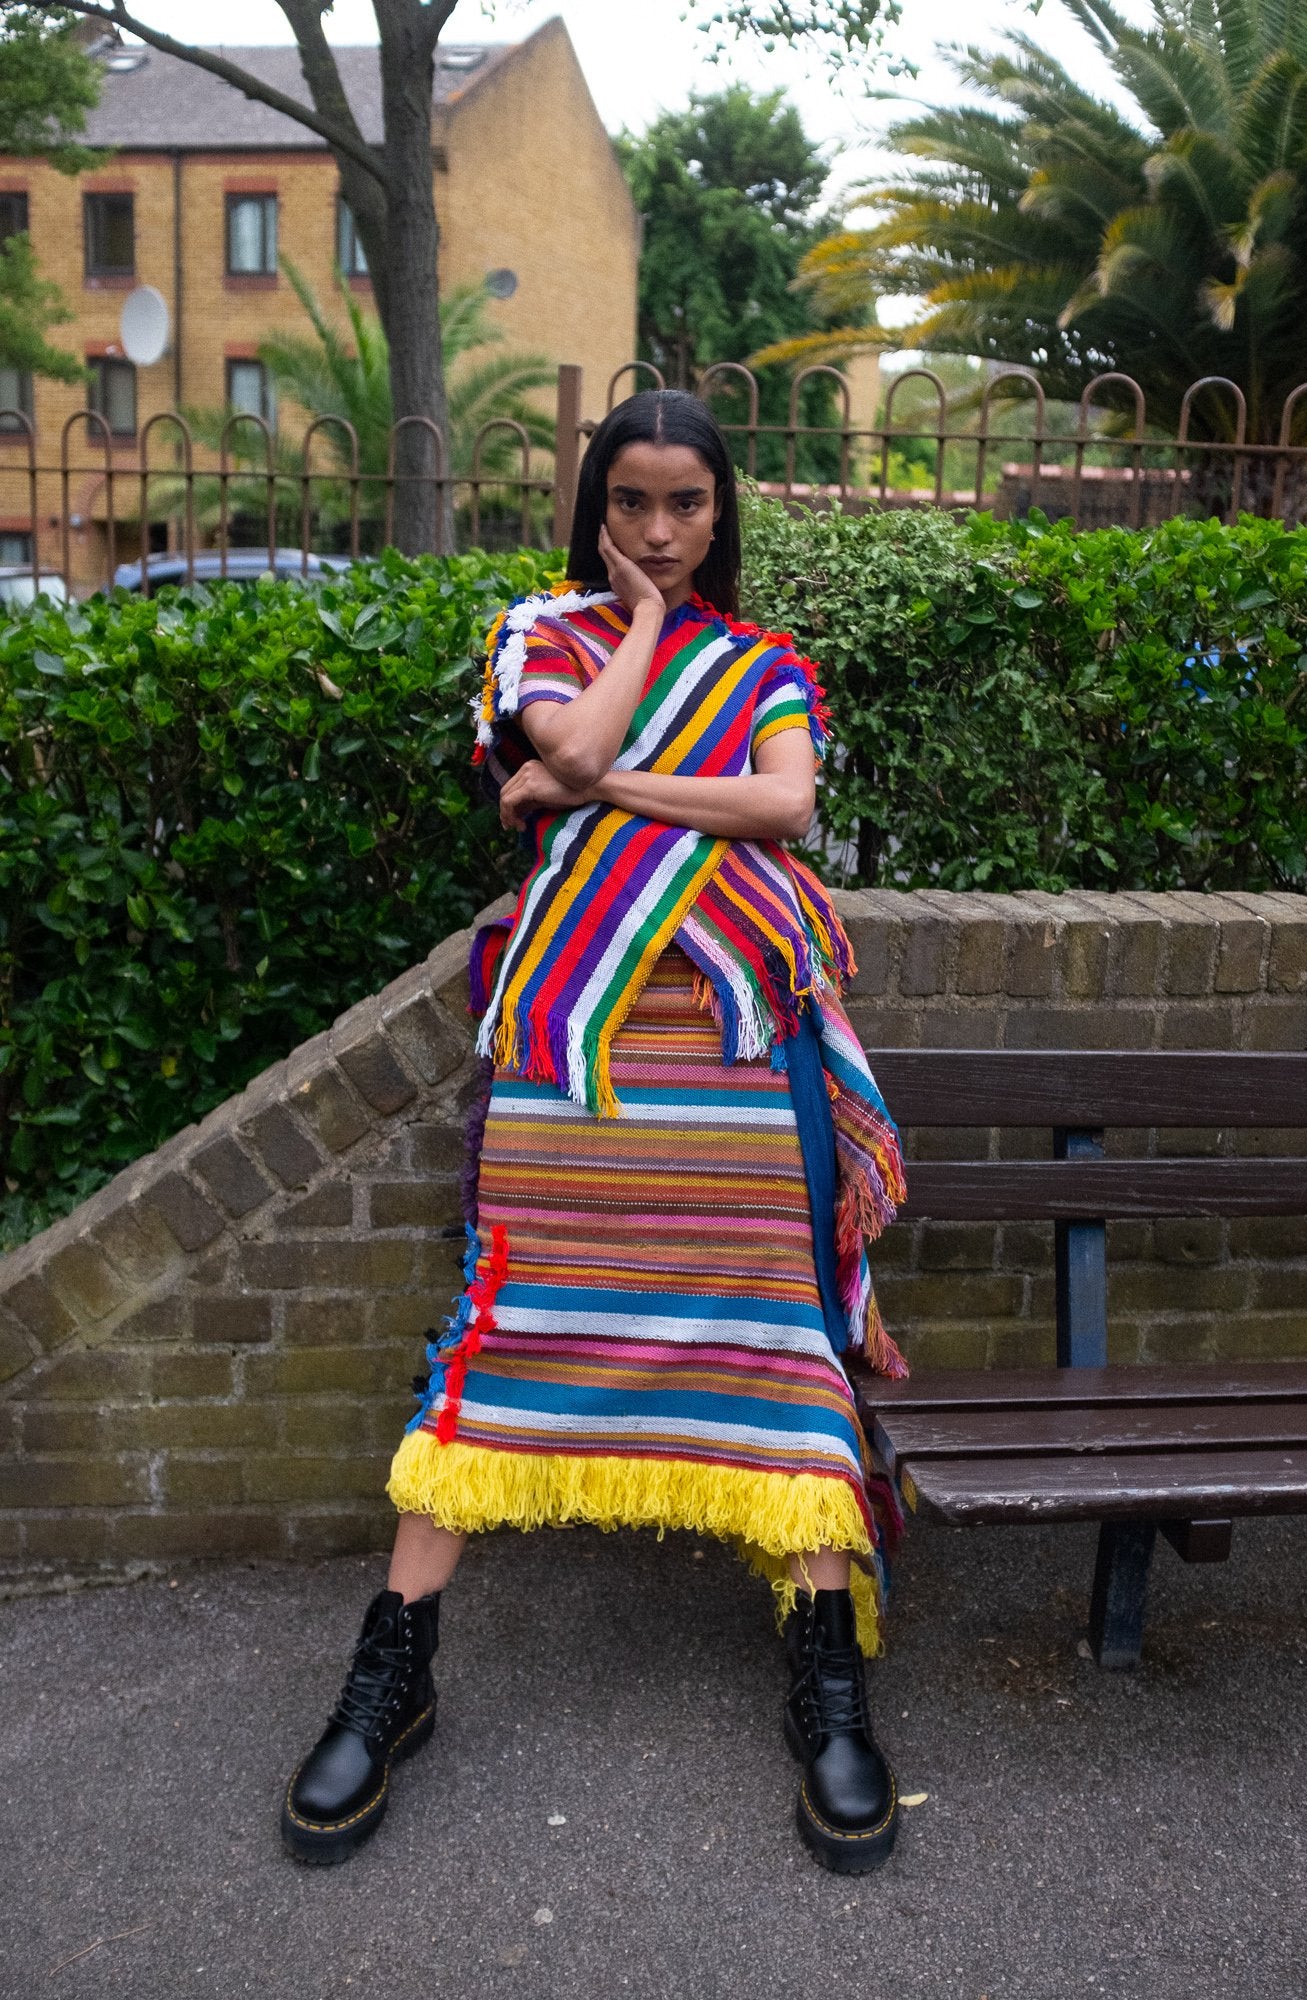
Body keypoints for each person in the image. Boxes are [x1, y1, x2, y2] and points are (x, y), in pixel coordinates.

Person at [280, 390, 908, 1876]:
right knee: (501, 1337)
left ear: (721, 509)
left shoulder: (764, 661)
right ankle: (396, 1671)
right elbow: (583, 731)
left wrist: (587, 788)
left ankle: (826, 1674)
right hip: (571, 1067)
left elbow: (786, 807)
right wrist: (628, 640)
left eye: (686, 504)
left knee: (777, 1342)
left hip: (732, 1066)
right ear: (595, 507)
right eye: (632, 501)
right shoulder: (540, 635)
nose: (660, 531)